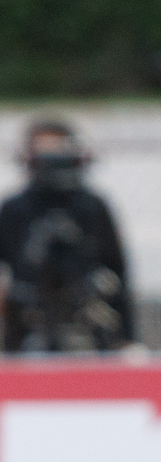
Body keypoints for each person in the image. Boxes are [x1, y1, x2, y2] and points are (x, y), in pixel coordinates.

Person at [0, 118, 134, 352]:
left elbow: (118, 271)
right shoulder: (14, 209)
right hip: (26, 326)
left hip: (88, 324)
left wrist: (128, 337)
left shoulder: (92, 207)